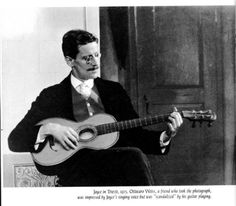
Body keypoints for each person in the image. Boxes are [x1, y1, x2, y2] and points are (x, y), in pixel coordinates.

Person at [8, 29, 183, 186]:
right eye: (87, 58)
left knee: (133, 156)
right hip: (77, 176)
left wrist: (166, 135)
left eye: (97, 55)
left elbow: (135, 135)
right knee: (133, 156)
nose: (96, 63)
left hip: (116, 174)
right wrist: (49, 129)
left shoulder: (114, 91)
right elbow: (15, 140)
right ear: (70, 61)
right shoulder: (52, 96)